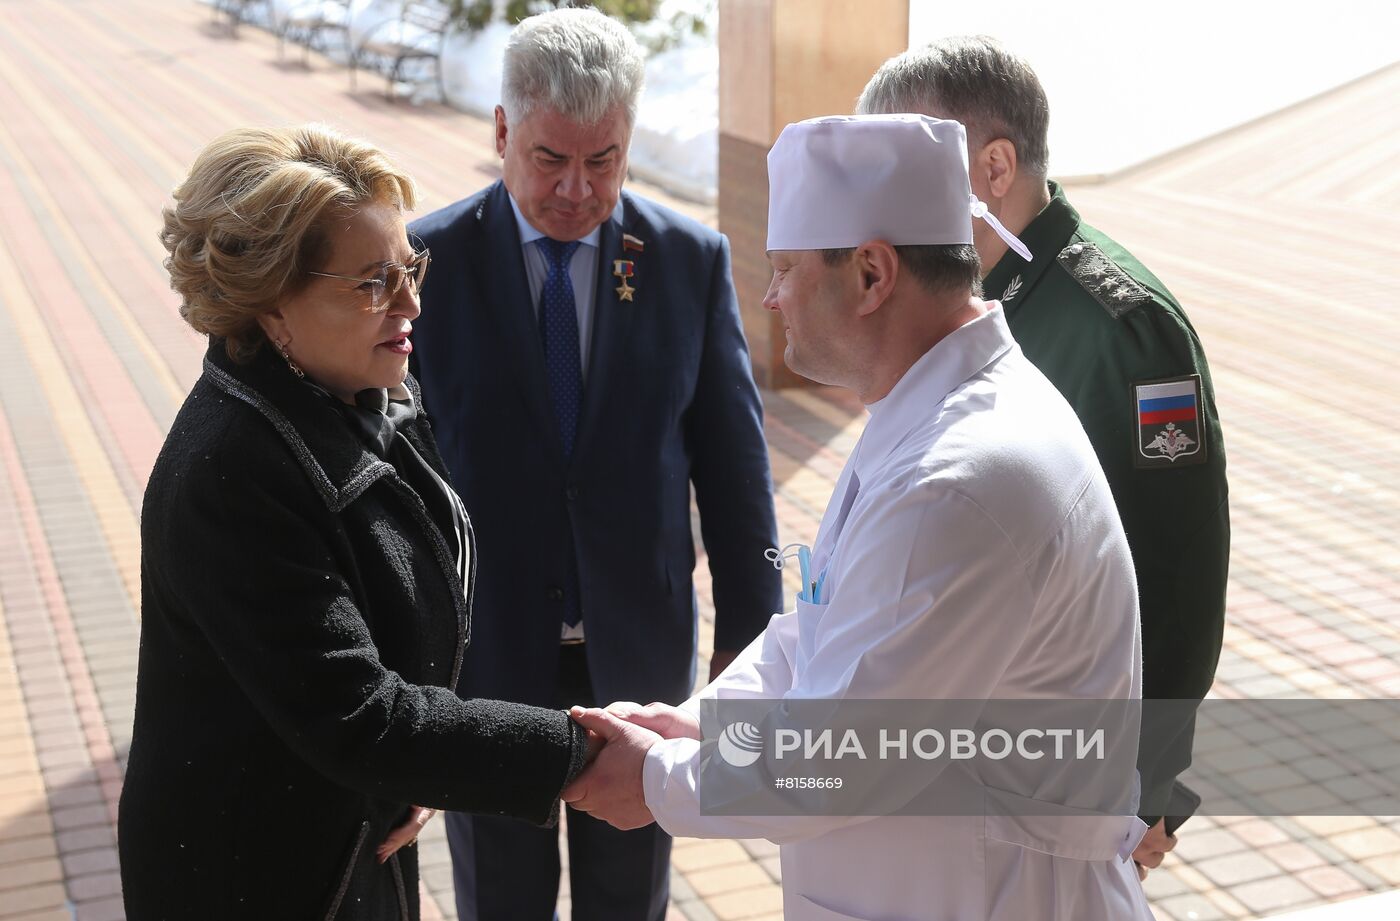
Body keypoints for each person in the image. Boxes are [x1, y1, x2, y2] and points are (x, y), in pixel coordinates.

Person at [562, 114, 1154, 921]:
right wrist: (697, 725)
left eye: (783, 270)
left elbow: (842, 757)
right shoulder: (928, 416)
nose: (770, 298)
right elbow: (822, 630)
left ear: (873, 273)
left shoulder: (957, 478)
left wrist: (658, 779)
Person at [118, 124, 592, 921]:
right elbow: (359, 715)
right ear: (272, 306)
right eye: (374, 283)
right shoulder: (231, 475)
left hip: (344, 838)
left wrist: (421, 765)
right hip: (257, 878)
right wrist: (579, 756)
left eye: (411, 269)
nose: (410, 303)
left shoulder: (359, 394)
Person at [408, 8, 781, 920]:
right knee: (502, 896)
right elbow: (394, 486)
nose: (577, 189)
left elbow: (736, 473)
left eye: (603, 160)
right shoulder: (424, 265)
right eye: (550, 159)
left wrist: (748, 650)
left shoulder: (689, 261)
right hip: (487, 658)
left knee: (629, 900)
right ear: (502, 131)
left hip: (638, 657)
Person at [855, 35, 1231, 877]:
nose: (877, 195)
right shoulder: (958, 295)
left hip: (1074, 787)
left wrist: (1152, 784)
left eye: (906, 160)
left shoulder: (1120, 327)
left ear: (993, 167)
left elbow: (1178, 575)